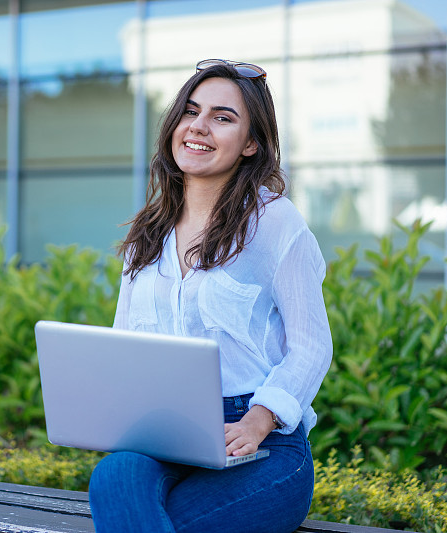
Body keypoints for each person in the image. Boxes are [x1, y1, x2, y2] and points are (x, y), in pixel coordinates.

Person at [88, 59, 333, 533]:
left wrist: (259, 420)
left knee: (162, 523)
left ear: (251, 143)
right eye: (191, 111)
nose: (198, 127)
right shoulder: (147, 234)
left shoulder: (276, 224)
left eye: (223, 117)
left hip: (259, 440)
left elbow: (311, 345)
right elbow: (125, 347)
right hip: (164, 431)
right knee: (114, 475)